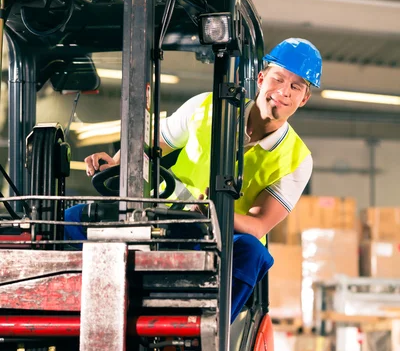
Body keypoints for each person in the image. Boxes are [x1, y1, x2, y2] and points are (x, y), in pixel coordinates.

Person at [66, 37, 322, 322]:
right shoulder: (207, 107)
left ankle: (209, 335)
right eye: (278, 79)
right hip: (162, 218)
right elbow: (152, 144)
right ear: (261, 79)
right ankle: (77, 310)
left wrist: (216, 210)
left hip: (218, 238)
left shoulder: (297, 159)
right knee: (73, 219)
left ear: (304, 98)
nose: (283, 91)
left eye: (295, 86)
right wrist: (114, 162)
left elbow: (259, 223)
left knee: (252, 253)